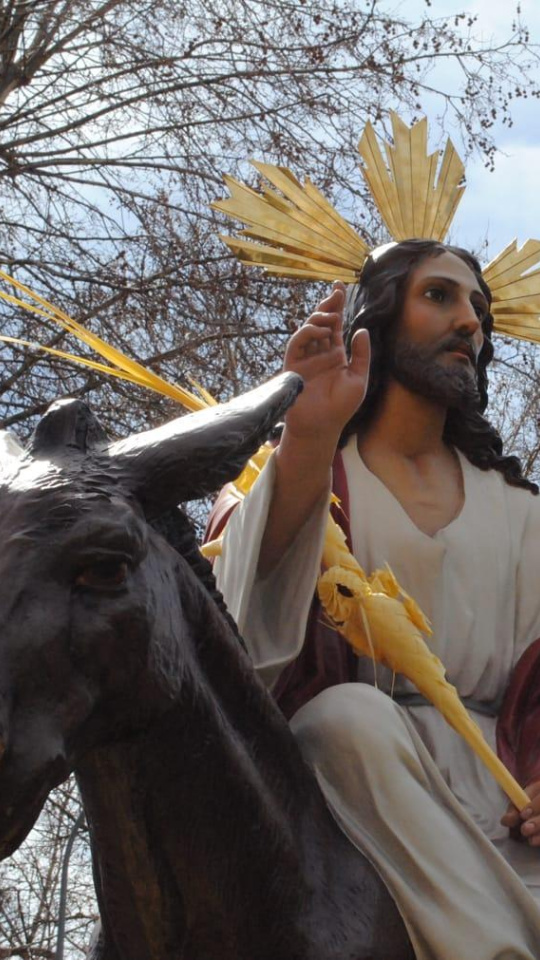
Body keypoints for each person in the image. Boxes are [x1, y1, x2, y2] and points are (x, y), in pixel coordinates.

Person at [207, 239, 540, 959]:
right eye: (440, 296)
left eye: (479, 309)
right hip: (355, 787)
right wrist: (309, 434)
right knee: (344, 718)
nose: (470, 324)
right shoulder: (310, 469)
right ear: (378, 319)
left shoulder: (521, 511)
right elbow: (236, 623)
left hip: (506, 795)